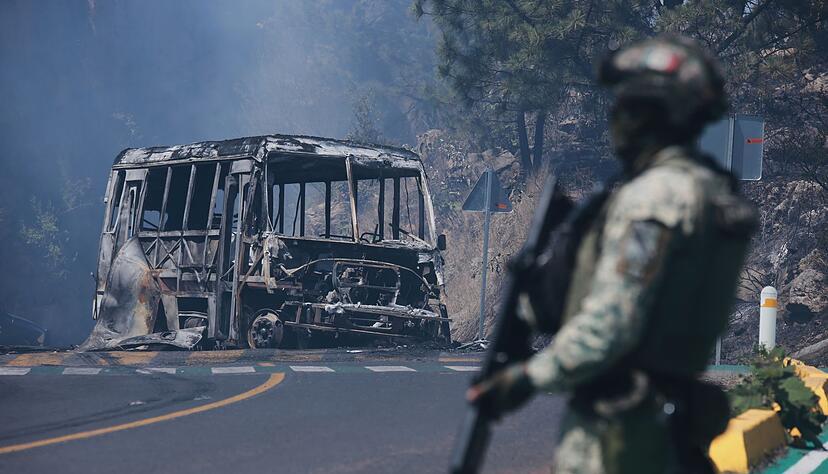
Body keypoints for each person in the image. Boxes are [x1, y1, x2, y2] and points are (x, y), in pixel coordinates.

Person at [467, 35, 758, 473]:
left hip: (620, 435)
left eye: (625, 107)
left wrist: (526, 379)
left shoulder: (654, 201)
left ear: (649, 114)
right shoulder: (711, 192)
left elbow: (613, 323)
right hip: (672, 424)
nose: (615, 120)